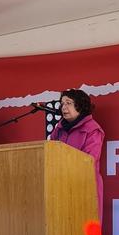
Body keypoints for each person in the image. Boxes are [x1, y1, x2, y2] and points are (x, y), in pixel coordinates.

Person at [49, 88, 105, 216]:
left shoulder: (92, 130)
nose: (64, 107)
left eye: (68, 103)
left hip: (84, 185)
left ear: (80, 106)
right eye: (62, 104)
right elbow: (50, 153)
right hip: (60, 186)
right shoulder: (59, 129)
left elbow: (89, 160)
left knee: (84, 224)